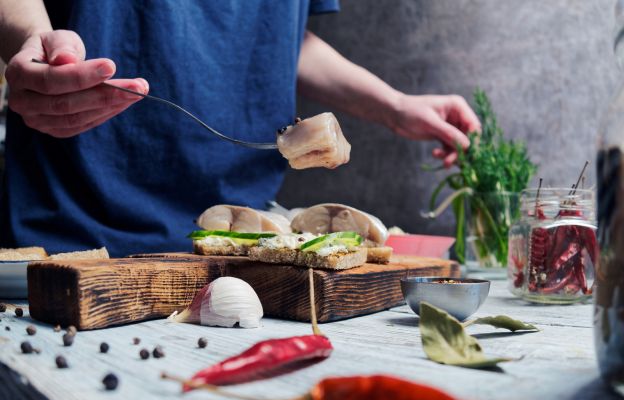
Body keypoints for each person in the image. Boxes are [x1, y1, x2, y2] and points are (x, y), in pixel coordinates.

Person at [0, 0, 480, 257]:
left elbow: (283, 38)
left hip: (245, 246)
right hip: (74, 235)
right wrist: (30, 38)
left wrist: (394, 106)